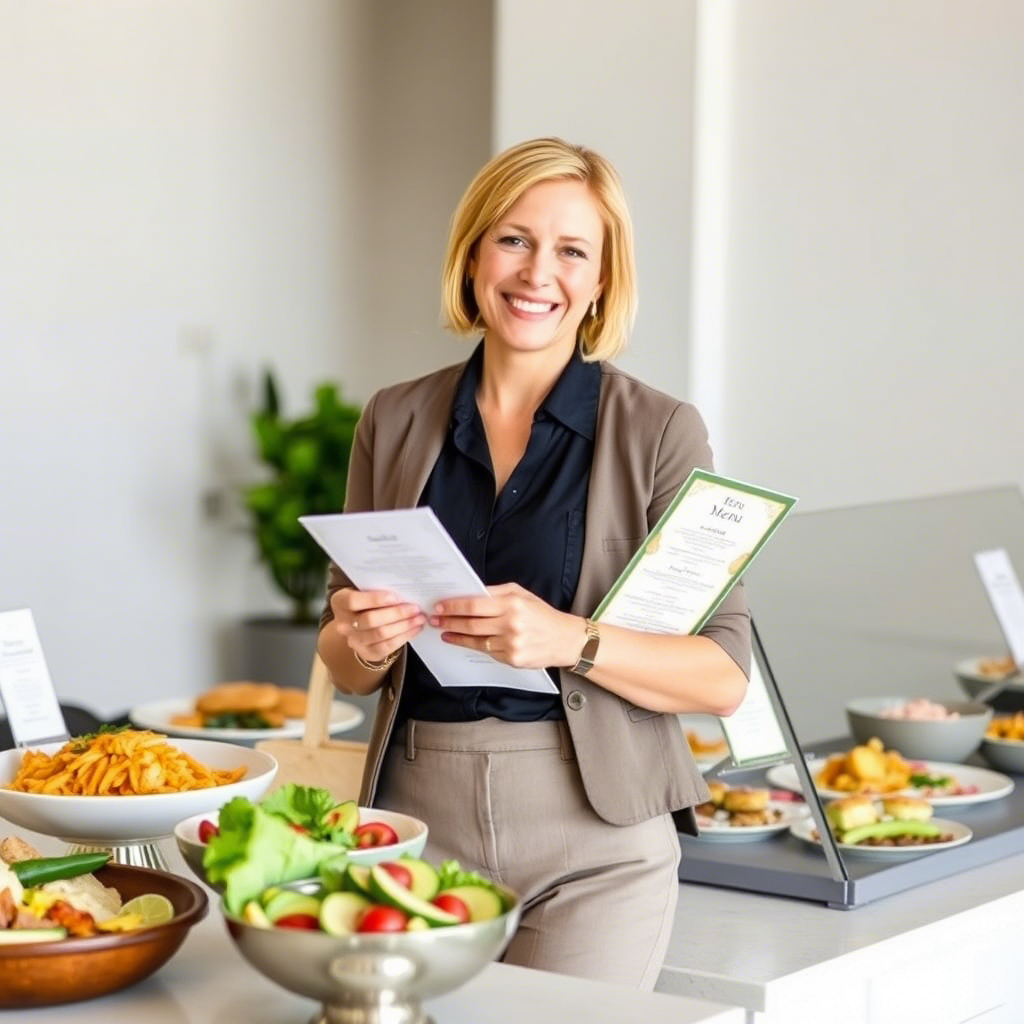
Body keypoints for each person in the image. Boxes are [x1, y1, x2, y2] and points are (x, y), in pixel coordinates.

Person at [317, 137, 750, 989]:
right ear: (475, 252)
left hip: (597, 835)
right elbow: (344, 660)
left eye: (571, 250)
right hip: (412, 823)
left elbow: (722, 675)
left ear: (599, 280)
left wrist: (571, 639)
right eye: (514, 239)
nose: (535, 272)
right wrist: (360, 636)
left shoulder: (663, 432)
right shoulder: (394, 418)